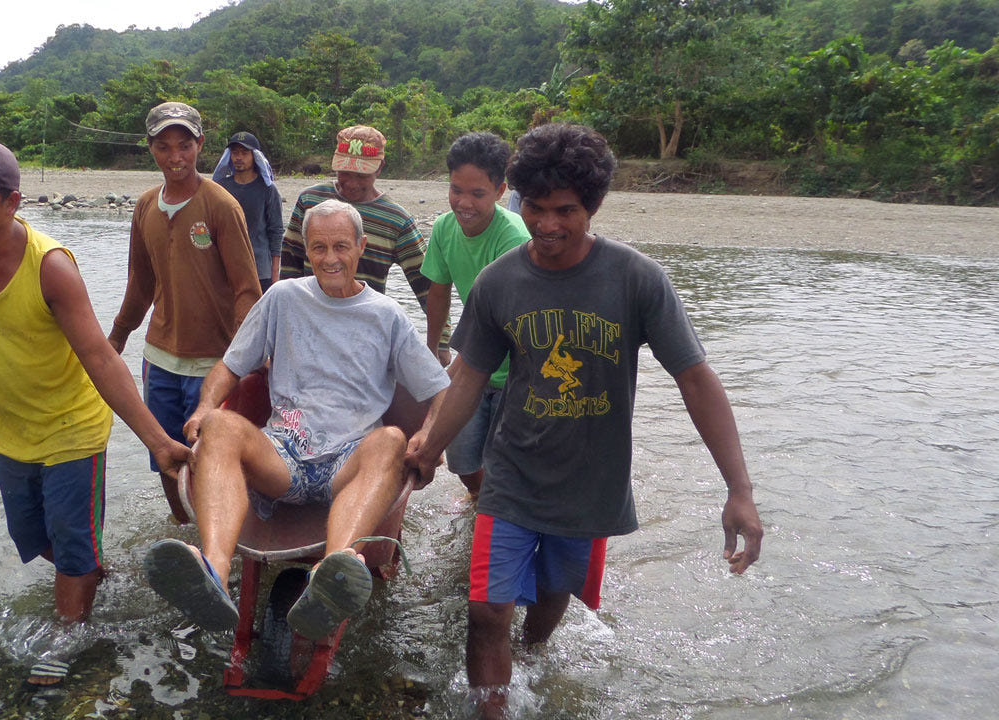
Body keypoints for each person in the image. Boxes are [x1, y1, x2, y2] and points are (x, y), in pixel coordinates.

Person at [405, 124, 764, 719]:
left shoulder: (637, 279)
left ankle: (535, 662)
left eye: (565, 211)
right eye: (537, 208)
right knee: (486, 610)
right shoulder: (501, 282)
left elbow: (696, 380)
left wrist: (740, 490)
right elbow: (468, 377)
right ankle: (490, 709)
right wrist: (430, 446)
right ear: (519, 200)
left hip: (590, 483)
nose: (547, 224)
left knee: (551, 598)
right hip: (513, 473)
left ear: (592, 206)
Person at [0, 138, 191, 686]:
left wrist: (157, 442)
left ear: (12, 202)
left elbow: (100, 357)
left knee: (71, 548)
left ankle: (68, 636)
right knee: (34, 539)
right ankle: (94, 571)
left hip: (72, 428)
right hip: (10, 429)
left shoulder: (51, 266)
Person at [144, 199, 450, 641]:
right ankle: (213, 570)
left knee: (392, 439)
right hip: (283, 453)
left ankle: (333, 571)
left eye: (341, 246)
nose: (330, 259)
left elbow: (441, 390)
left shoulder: (387, 315)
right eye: (319, 247)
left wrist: (428, 437)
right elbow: (230, 367)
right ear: (306, 251)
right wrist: (204, 409)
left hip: (349, 461)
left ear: (361, 247)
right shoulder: (283, 298)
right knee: (222, 427)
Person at [107, 102, 262, 522]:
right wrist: (115, 340)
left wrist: (242, 358)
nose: (175, 157)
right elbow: (139, 284)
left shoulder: (221, 206)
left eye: (184, 146)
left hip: (212, 363)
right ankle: (182, 527)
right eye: (164, 147)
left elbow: (247, 291)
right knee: (164, 455)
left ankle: (217, 535)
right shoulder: (144, 207)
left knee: (210, 458)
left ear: (201, 146)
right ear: (151, 149)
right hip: (159, 359)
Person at [280, 125, 452, 364]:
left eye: (361, 175)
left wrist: (441, 343)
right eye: (344, 173)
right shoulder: (310, 201)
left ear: (380, 168)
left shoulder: (396, 220)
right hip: (309, 328)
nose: (350, 183)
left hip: (365, 337)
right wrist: (284, 323)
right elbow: (290, 264)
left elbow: (429, 285)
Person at [422, 132, 530, 495]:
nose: (463, 203)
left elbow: (510, 320)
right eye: (456, 190)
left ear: (500, 192)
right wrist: (435, 349)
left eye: (477, 194)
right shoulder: (443, 228)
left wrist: (460, 368)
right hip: (471, 365)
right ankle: (480, 503)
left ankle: (494, 509)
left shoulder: (513, 237)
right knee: (463, 460)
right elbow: (438, 293)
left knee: (504, 463)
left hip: (514, 370)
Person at [213, 131, 284, 292]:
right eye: (235, 153)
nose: (239, 157)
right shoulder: (221, 188)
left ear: (255, 156)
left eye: (244, 153)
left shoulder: (268, 189)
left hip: (259, 268)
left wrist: (274, 274)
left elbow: (276, 230)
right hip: (226, 266)